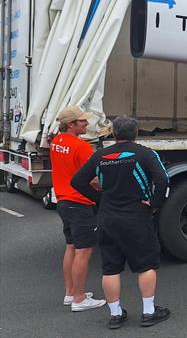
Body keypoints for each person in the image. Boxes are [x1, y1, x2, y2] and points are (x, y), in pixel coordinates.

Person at [71, 116, 170, 329]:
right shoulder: (146, 153)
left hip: (108, 217)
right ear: (135, 133)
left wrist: (100, 199)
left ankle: (115, 315)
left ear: (114, 134)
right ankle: (149, 312)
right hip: (137, 216)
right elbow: (163, 180)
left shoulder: (100, 155)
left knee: (110, 268)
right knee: (146, 265)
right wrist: (154, 204)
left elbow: (77, 181)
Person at [51, 106, 107, 312]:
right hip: (80, 203)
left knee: (72, 247)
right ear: (71, 124)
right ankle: (80, 299)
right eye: (82, 121)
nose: (86, 123)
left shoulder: (56, 142)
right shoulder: (82, 147)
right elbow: (92, 179)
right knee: (84, 250)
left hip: (64, 201)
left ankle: (70, 293)